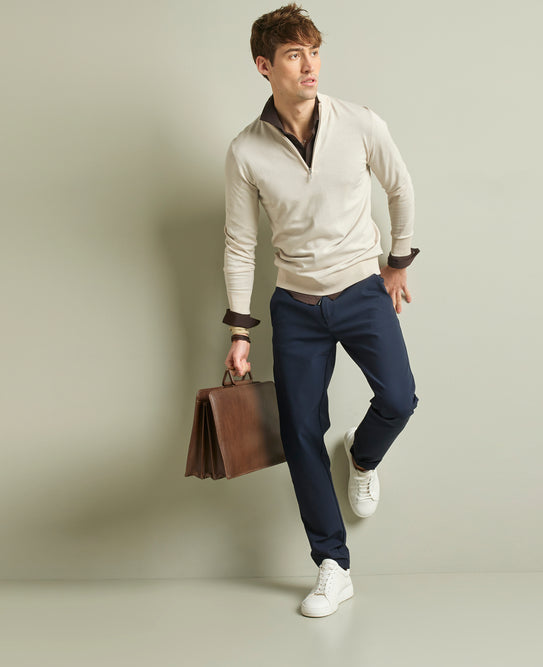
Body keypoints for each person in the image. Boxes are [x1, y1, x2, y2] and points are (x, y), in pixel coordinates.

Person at [221, 3, 420, 618]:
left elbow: (400, 186)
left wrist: (398, 261)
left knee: (399, 399)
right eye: (293, 55)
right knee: (302, 431)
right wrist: (239, 330)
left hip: (361, 291)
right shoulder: (246, 151)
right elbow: (240, 243)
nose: (310, 66)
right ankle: (333, 564)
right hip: (295, 309)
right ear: (265, 66)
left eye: (314, 52)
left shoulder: (359, 122)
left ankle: (362, 455)